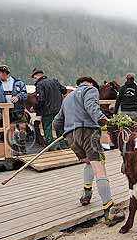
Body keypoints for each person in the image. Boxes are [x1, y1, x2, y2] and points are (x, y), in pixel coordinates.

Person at [53, 76, 125, 226]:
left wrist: (66, 135)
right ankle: (109, 211)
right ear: (91, 84)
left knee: (88, 162)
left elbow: (56, 122)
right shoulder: (90, 90)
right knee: (99, 168)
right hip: (88, 133)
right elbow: (91, 106)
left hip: (71, 137)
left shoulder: (67, 98)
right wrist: (103, 122)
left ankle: (86, 193)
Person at [0, 65, 28, 153]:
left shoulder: (19, 83)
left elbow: (25, 94)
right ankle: (14, 147)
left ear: (5, 73)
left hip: (18, 109)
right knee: (11, 129)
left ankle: (22, 144)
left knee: (22, 127)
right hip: (7, 111)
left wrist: (18, 97)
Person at [31, 68, 67, 145]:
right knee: (59, 127)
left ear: (37, 76)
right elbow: (64, 90)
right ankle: (63, 145)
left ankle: (51, 147)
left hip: (47, 111)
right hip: (58, 109)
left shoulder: (39, 84)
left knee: (48, 128)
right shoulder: (54, 81)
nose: (34, 80)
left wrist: (34, 107)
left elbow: (41, 100)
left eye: (34, 78)